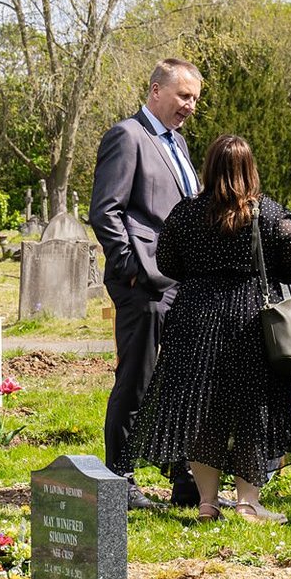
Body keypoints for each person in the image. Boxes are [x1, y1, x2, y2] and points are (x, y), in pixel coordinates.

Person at [132, 135, 291, 524]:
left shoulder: (185, 213)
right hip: (249, 319)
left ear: (210, 167)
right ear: (250, 170)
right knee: (253, 409)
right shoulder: (267, 213)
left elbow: (166, 262)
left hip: (194, 317)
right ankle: (248, 503)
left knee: (201, 410)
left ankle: (207, 503)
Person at [91, 59, 205, 507]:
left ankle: (184, 480)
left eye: (195, 98)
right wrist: (132, 268)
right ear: (156, 90)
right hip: (144, 283)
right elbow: (107, 210)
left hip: (180, 282)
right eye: (183, 96)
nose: (190, 106)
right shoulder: (128, 136)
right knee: (136, 380)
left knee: (178, 382)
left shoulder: (177, 143)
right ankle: (120, 480)